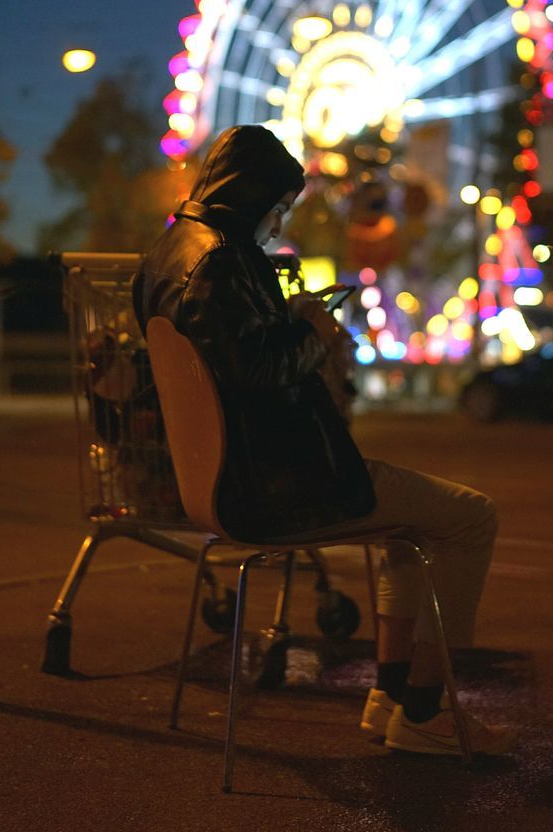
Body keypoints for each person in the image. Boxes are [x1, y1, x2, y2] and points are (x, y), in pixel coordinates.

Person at [133, 125, 516, 756]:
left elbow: (223, 364)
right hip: (278, 486)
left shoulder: (167, 255)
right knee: (469, 517)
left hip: (222, 479)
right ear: (250, 196)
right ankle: (424, 711)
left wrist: (288, 321)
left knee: (410, 525)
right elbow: (256, 372)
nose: (280, 226)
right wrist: (313, 329)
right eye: (279, 209)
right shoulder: (219, 262)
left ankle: (391, 700)